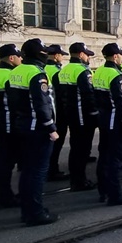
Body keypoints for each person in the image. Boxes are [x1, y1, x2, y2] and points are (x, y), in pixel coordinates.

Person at [7, 39, 60, 226]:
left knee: (27, 171)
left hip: (22, 126)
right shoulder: (37, 74)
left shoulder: (16, 71)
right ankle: (35, 213)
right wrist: (50, 127)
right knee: (37, 172)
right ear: (40, 54)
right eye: (45, 52)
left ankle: (28, 209)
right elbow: (41, 104)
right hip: (37, 128)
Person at [93, 43, 122, 205]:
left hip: (103, 120)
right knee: (114, 160)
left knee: (104, 157)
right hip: (115, 122)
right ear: (115, 56)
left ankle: (103, 191)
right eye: (120, 55)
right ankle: (115, 195)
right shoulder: (116, 75)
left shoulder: (99, 72)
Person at [55, 42, 99, 191]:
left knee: (75, 148)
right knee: (82, 149)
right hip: (83, 116)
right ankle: (80, 181)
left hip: (70, 114)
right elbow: (89, 95)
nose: (88, 58)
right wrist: (94, 114)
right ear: (81, 54)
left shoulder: (64, 70)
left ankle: (76, 179)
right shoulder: (83, 71)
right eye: (87, 55)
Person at [0, 44, 21, 208]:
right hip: (9, 122)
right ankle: (4, 196)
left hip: (0, 120)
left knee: (3, 158)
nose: (21, 59)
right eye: (19, 56)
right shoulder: (10, 75)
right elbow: (15, 102)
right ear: (11, 58)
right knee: (6, 160)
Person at [45, 44, 70, 182]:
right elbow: (60, 95)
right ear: (56, 56)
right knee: (56, 143)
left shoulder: (43, 68)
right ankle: (52, 170)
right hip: (57, 112)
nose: (62, 58)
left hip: (47, 111)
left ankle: (48, 168)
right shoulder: (56, 72)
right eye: (61, 55)